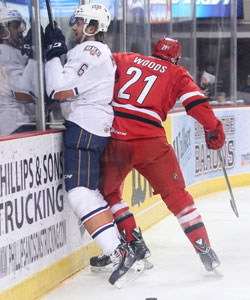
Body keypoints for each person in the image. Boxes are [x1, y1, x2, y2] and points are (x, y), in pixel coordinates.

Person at [90, 36, 225, 274]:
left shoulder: (126, 58)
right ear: (176, 57)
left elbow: (96, 65)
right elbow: (195, 103)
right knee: (177, 197)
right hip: (151, 142)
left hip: (118, 138)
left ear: (153, 50)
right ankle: (204, 249)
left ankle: (135, 242)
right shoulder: (177, 72)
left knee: (109, 193)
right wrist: (213, 129)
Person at [44, 3, 144, 287]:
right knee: (91, 193)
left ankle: (119, 251)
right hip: (91, 126)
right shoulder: (95, 52)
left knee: (79, 194)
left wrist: (52, 56)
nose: (73, 27)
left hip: (85, 127)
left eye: (78, 22)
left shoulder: (91, 51)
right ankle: (123, 248)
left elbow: (57, 89)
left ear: (92, 27)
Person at [0, 7, 36, 136]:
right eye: (16, 26)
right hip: (13, 125)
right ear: (3, 32)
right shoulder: (4, 53)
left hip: (20, 122)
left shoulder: (15, 51)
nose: (21, 30)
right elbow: (25, 91)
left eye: (21, 25)